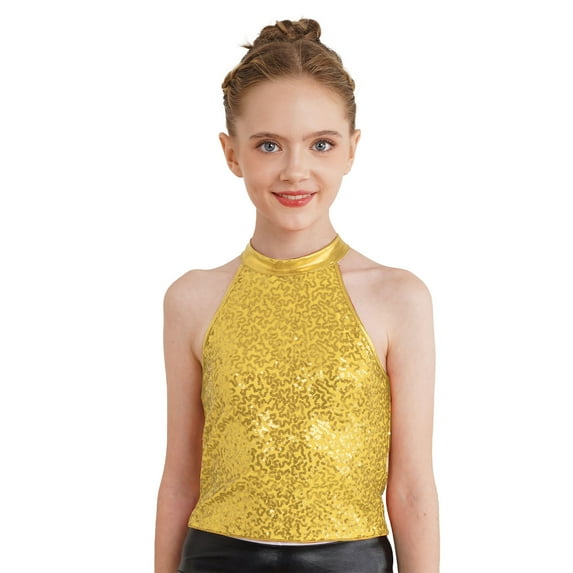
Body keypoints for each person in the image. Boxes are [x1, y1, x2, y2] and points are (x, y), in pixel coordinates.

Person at [154, 18, 439, 573]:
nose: (295, 170)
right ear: (232, 153)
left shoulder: (398, 298)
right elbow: (181, 478)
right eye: (268, 145)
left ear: (351, 150)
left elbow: (410, 488)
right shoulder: (192, 298)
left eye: (321, 144)